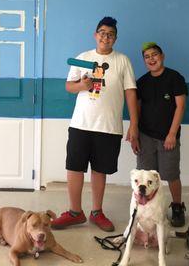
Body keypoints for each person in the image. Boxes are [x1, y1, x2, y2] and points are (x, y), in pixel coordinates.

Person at [52, 16, 139, 232]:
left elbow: (130, 92)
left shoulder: (123, 61)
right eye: (102, 33)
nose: (105, 37)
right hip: (81, 124)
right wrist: (81, 84)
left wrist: (134, 124)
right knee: (74, 167)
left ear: (115, 38)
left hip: (109, 127)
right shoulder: (83, 58)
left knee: (100, 170)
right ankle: (75, 212)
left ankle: (96, 212)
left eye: (110, 34)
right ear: (95, 35)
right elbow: (68, 86)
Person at [129, 42, 188, 227]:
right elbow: (136, 111)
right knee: (145, 176)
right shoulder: (142, 82)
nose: (151, 59)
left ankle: (177, 206)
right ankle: (146, 208)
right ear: (144, 61)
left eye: (154, 55)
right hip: (146, 137)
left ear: (162, 56)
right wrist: (135, 133)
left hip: (167, 138)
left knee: (170, 175)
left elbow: (180, 107)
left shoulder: (175, 78)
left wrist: (172, 134)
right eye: (147, 57)